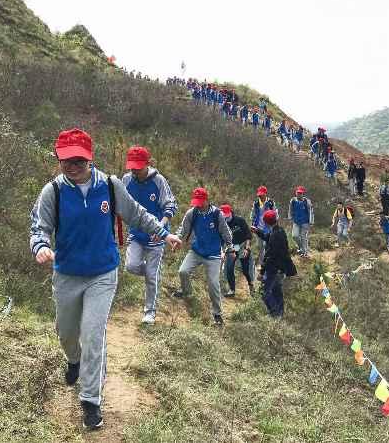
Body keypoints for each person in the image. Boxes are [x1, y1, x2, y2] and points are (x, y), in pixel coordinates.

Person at [30, 129, 182, 430]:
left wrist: (165, 234)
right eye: (65, 161)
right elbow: (39, 226)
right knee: (66, 331)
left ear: (90, 158)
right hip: (67, 274)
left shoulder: (110, 186)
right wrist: (42, 246)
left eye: (78, 161)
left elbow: (137, 214)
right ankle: (73, 360)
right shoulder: (54, 191)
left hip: (103, 272)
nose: (71, 166)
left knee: (92, 333)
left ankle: (90, 400)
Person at [122, 146, 178, 325]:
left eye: (138, 167)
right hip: (136, 234)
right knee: (131, 266)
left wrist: (160, 228)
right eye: (132, 167)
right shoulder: (126, 180)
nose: (134, 170)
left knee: (152, 277)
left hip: (156, 236)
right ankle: (151, 273)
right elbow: (123, 205)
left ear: (147, 164)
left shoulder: (159, 181)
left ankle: (149, 312)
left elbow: (170, 206)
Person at [173, 187, 235, 326]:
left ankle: (217, 314)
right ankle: (187, 292)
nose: (197, 204)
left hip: (213, 255)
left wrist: (229, 246)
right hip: (197, 251)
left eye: (200, 201)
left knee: (213, 284)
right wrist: (177, 239)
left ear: (206, 200)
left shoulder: (217, 214)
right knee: (182, 271)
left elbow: (226, 231)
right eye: (196, 201)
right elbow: (183, 229)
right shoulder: (192, 213)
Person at [251, 210, 296, 318]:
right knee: (277, 291)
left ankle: (275, 314)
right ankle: (280, 315)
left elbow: (269, 256)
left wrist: (262, 272)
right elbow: (268, 237)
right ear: (276, 219)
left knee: (264, 292)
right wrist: (257, 231)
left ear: (266, 223)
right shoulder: (279, 231)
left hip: (274, 269)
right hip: (281, 268)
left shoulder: (275, 234)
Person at [220, 204, 255, 297]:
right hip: (232, 247)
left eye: (227, 215)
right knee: (229, 268)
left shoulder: (240, 221)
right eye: (224, 216)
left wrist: (247, 248)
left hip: (243, 244)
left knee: (245, 270)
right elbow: (221, 240)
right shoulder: (221, 224)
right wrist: (222, 252)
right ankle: (232, 290)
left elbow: (248, 235)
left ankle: (251, 284)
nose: (226, 218)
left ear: (231, 212)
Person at [250, 185, 278, 269]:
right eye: (259, 194)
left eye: (262, 194)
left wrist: (275, 224)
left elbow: (275, 214)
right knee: (261, 247)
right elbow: (253, 215)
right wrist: (253, 225)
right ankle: (262, 264)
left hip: (268, 227)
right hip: (258, 228)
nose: (260, 196)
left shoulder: (270, 203)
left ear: (265, 194)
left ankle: (267, 264)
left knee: (267, 246)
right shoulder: (256, 203)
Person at [288, 186, 314, 257]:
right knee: (294, 236)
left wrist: (311, 221)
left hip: (305, 222)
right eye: (297, 193)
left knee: (303, 237)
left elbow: (311, 212)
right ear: (296, 193)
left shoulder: (307, 202)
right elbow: (290, 209)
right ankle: (300, 247)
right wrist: (290, 217)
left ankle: (305, 252)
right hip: (296, 221)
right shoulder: (293, 201)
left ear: (303, 194)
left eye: (300, 193)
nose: (299, 194)